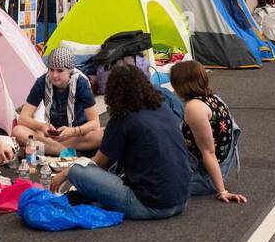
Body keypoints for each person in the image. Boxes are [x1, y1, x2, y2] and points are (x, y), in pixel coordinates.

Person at [48, 65, 190, 221]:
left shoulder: (122, 119)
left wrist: (67, 172)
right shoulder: (161, 107)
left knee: (78, 171)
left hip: (150, 205)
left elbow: (98, 163)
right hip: (182, 200)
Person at [169, 61, 245, 203]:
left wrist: (222, 191)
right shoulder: (214, 99)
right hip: (216, 167)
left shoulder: (194, 108)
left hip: (203, 176)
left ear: (179, 85)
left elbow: (208, 152)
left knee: (149, 181)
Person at [13, 46, 103, 155]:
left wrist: (73, 131)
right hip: (52, 135)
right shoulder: (42, 82)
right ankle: (61, 150)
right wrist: (42, 126)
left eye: (60, 71)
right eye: (51, 69)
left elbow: (95, 123)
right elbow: (23, 118)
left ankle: (48, 148)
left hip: (76, 135)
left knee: (100, 135)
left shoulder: (81, 83)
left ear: (70, 71)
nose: (54, 75)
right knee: (18, 131)